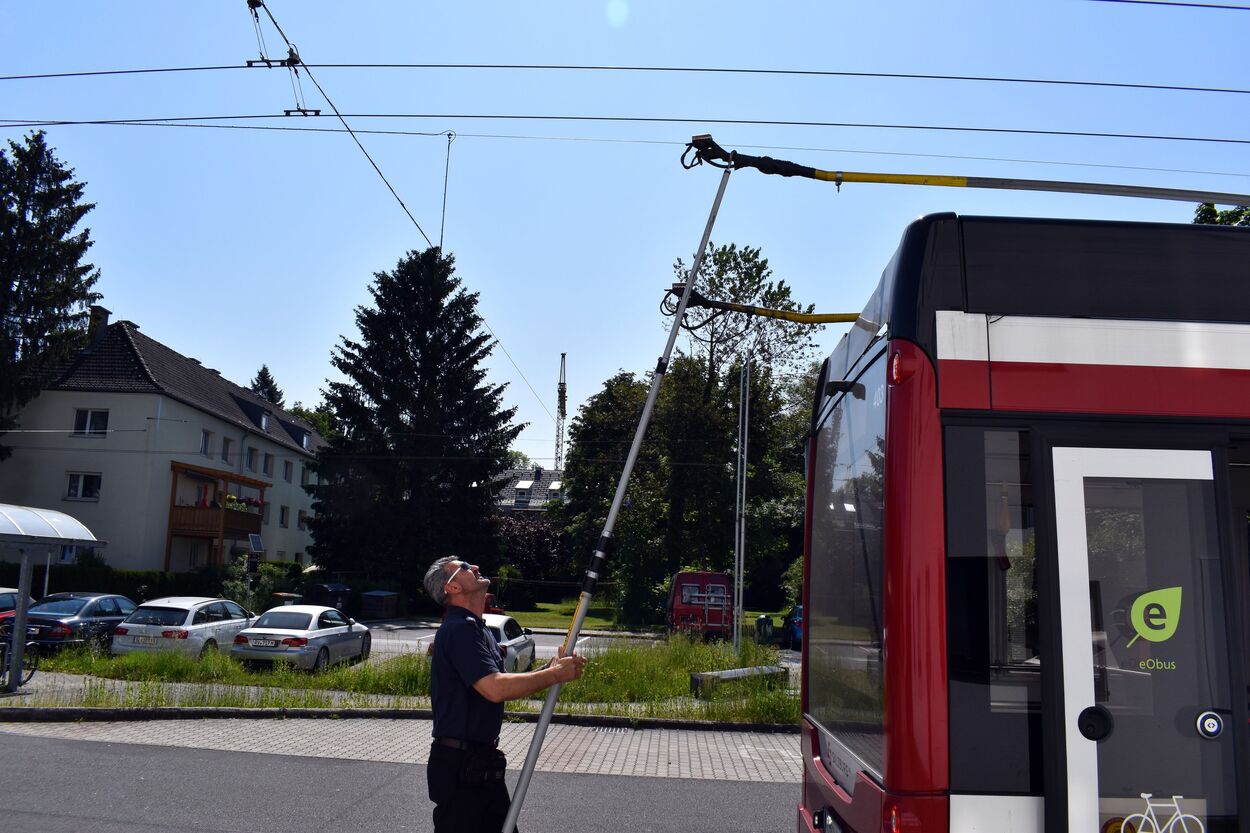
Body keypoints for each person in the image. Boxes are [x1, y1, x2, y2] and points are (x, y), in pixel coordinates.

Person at [423, 556, 588, 833]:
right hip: (460, 769)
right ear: (451, 589)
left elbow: (505, 681)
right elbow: (494, 688)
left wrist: (551, 667)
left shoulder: (479, 629)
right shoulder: (459, 630)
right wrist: (554, 675)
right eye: (463, 568)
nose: (474, 567)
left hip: (481, 765)